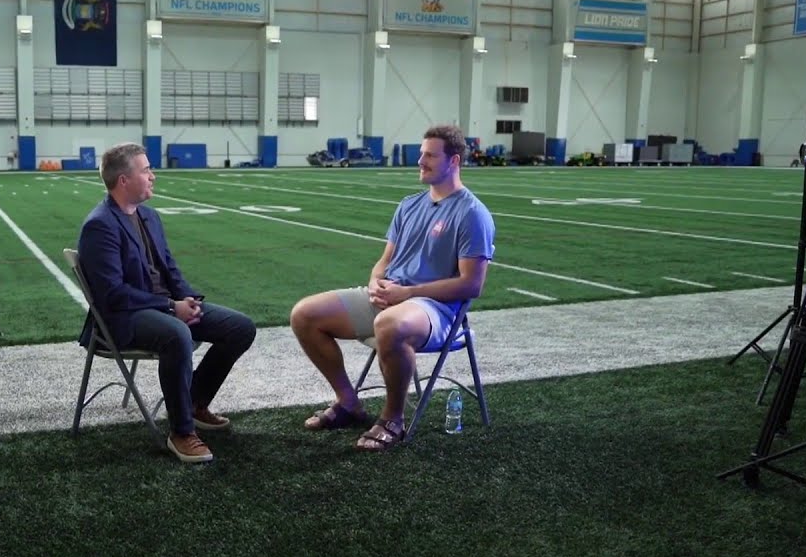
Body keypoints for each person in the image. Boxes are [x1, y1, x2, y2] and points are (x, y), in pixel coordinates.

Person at [289, 124, 494, 452]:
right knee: (304, 315)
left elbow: (472, 284)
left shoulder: (472, 213)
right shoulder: (409, 205)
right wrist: (375, 284)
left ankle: (392, 419)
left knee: (389, 324)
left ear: (454, 161)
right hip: (391, 298)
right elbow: (384, 261)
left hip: (435, 310)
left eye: (430, 155)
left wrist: (408, 294)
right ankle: (348, 402)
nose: (420, 161)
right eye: (421, 154)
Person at [77, 142, 257, 464]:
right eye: (146, 170)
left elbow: (170, 270)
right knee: (177, 334)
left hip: (164, 307)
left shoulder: (149, 216)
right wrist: (172, 308)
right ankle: (181, 432)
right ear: (123, 180)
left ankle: (194, 402)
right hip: (124, 317)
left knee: (241, 328)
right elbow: (114, 295)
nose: (153, 176)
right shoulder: (100, 225)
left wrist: (189, 299)